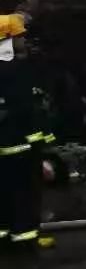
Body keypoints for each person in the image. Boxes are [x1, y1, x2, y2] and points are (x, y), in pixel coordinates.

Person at [0, 14, 51, 253]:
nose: (23, 40)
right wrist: (41, 147)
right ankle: (26, 241)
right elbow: (26, 112)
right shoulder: (14, 71)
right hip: (19, 146)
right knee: (25, 194)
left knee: (4, 193)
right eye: (19, 36)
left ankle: (4, 236)